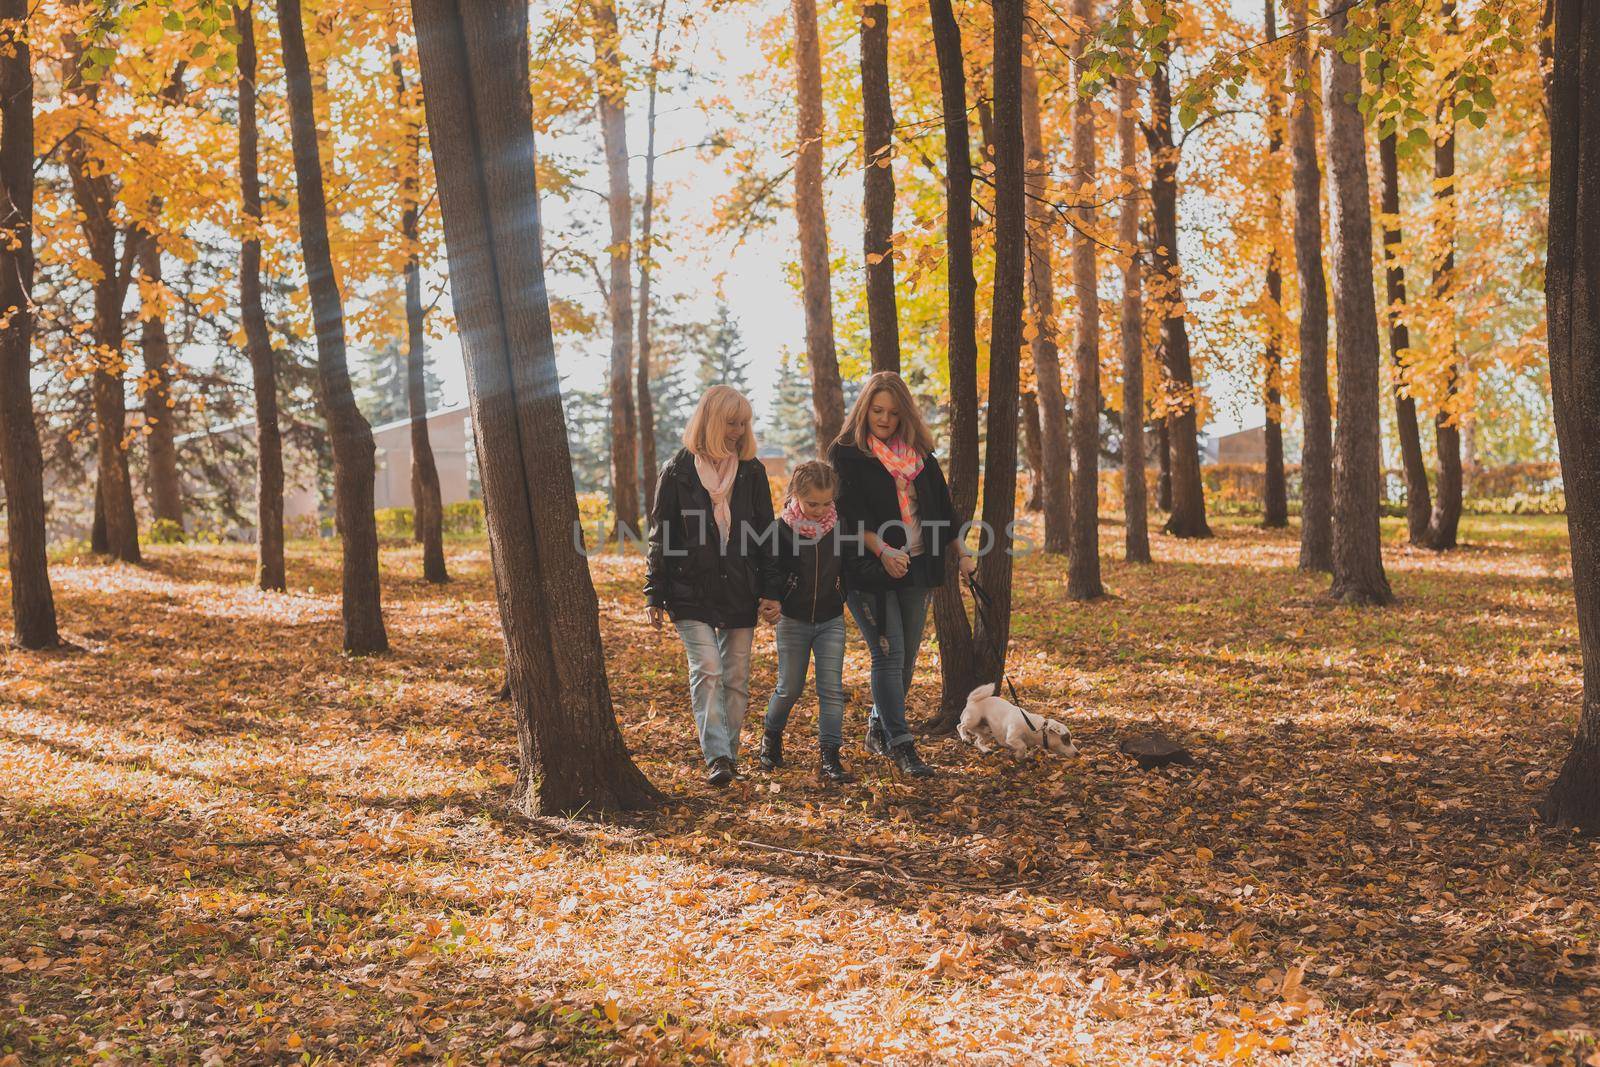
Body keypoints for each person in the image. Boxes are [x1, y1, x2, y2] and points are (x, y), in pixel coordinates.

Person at [830, 372, 976, 778]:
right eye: (877, 410)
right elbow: (845, 516)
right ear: (864, 410)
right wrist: (883, 549)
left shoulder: (921, 457)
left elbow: (943, 512)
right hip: (868, 570)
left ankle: (878, 727)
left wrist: (961, 555)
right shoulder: (847, 453)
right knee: (888, 654)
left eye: (893, 413)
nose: (884, 419)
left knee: (907, 658)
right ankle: (901, 743)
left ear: (904, 415)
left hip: (918, 566)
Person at [645, 385, 781, 787]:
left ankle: (729, 755)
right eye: (732, 423)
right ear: (711, 421)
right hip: (690, 589)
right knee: (707, 668)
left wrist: (772, 590)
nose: (739, 431)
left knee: (736, 675)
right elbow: (661, 535)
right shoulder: (677, 471)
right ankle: (717, 756)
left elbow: (767, 534)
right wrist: (654, 591)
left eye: (744, 423)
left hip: (741, 586)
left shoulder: (752, 471)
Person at [758, 460, 853, 784]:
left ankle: (830, 756)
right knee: (790, 687)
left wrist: (844, 593)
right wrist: (773, 598)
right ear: (796, 495)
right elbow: (770, 569)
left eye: (827, 503)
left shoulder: (839, 527)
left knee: (831, 689)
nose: (819, 510)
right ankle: (771, 737)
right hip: (793, 620)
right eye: (812, 503)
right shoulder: (780, 529)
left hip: (830, 619)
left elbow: (849, 566)